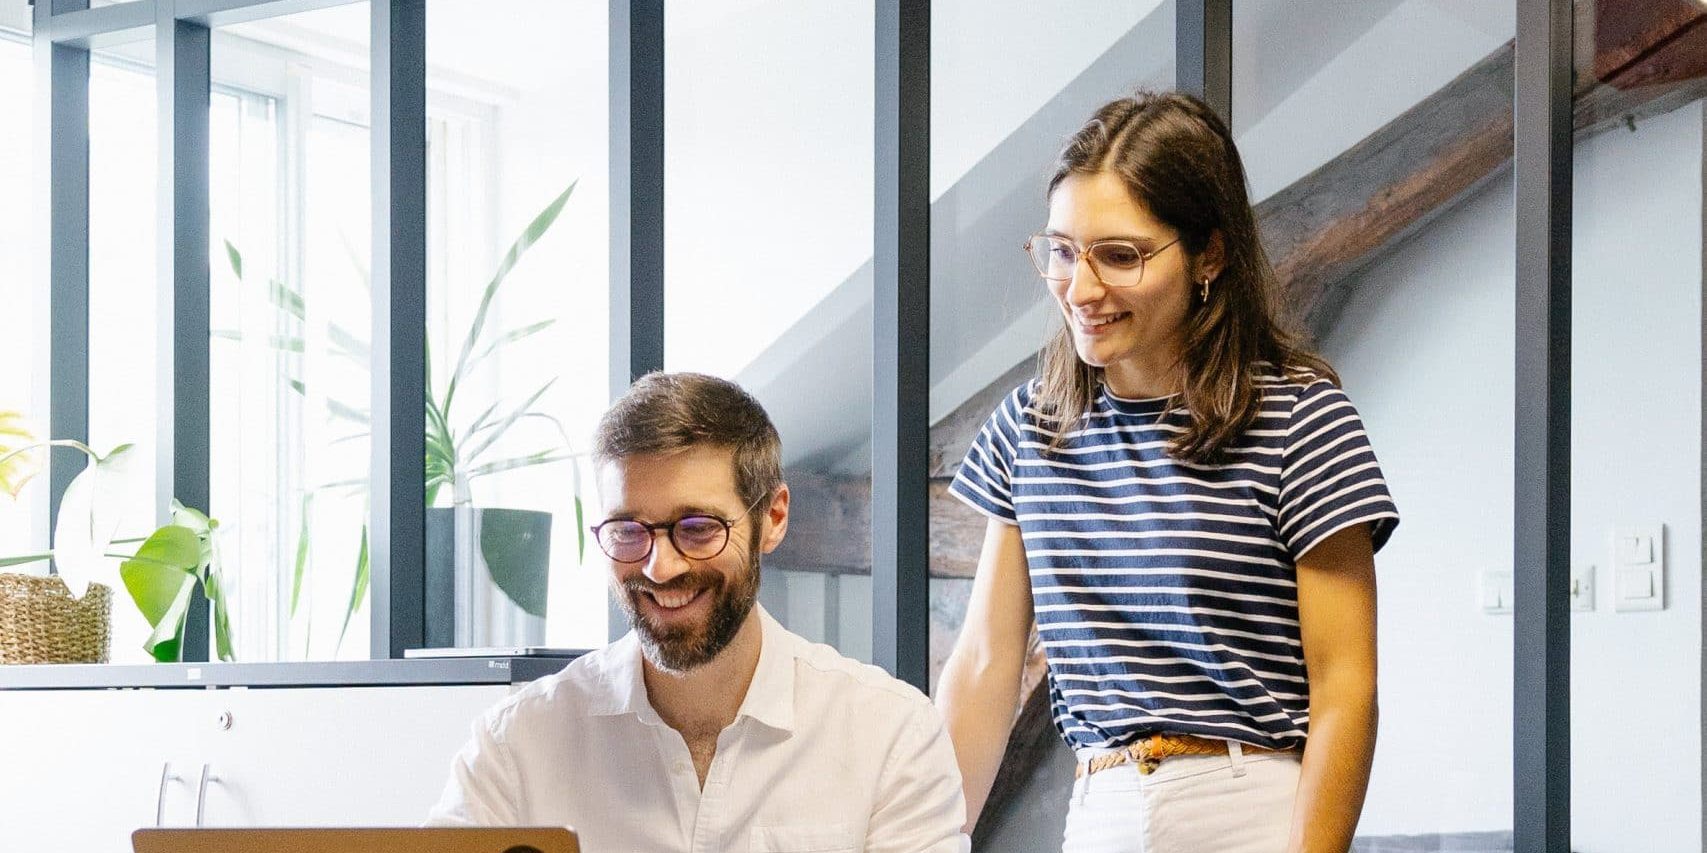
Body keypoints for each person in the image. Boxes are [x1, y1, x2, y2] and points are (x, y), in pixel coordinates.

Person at [935, 91, 1400, 853]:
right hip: (1099, 807)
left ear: (1208, 254)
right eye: (1061, 251)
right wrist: (922, 837)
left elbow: (1345, 690)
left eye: (1120, 255)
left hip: (1250, 808)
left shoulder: (1298, 418)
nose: (1080, 289)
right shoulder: (1027, 428)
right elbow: (984, 663)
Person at [429, 371, 969, 853]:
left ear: (773, 518)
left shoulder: (889, 734)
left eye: (698, 528)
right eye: (628, 531)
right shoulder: (517, 746)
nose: (660, 567)